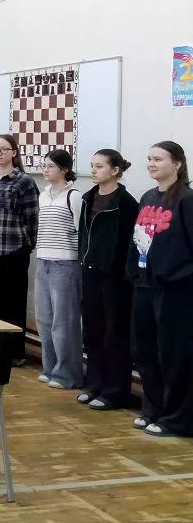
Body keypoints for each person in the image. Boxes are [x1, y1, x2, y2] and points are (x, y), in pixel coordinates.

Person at [128, 141, 193, 437]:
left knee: (174, 355)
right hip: (145, 286)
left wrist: (176, 276)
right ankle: (153, 408)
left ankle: (178, 417)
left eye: (158, 159)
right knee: (145, 351)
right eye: (149, 159)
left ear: (177, 163)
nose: (151, 164)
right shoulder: (148, 196)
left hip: (174, 291)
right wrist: (134, 273)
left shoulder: (187, 200)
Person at [78, 149, 138, 411]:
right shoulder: (88, 197)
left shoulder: (126, 202)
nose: (93, 170)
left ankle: (114, 391)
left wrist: (121, 272)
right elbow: (83, 236)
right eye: (92, 165)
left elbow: (129, 243)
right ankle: (95, 384)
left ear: (115, 170)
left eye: (99, 166)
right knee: (93, 331)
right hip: (90, 271)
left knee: (114, 333)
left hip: (114, 277)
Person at [0, 133, 40, 363]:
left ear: (14, 152)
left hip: (14, 250)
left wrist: (27, 246)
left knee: (13, 303)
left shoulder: (24, 181)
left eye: (3, 149)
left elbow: (33, 218)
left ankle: (14, 353)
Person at [34, 149, 84, 390]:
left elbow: (80, 232)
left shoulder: (74, 196)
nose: (45, 170)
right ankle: (50, 367)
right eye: (43, 166)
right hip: (43, 260)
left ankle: (68, 374)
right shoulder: (43, 196)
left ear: (64, 170)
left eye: (51, 166)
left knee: (64, 321)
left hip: (65, 263)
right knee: (44, 318)